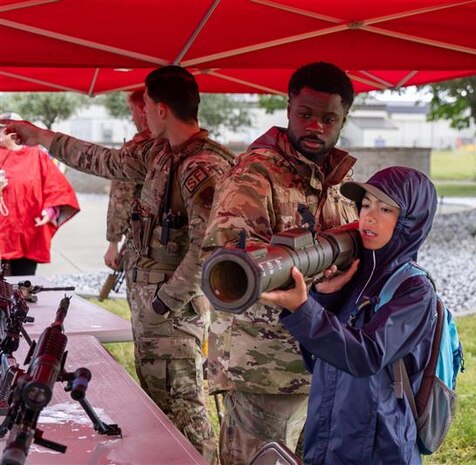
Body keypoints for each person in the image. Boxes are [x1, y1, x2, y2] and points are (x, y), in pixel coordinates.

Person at [1, 65, 233, 464]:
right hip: (153, 302)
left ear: (161, 108)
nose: (141, 111)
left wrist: (165, 302)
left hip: (172, 312)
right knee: (159, 404)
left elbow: (207, 249)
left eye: (144, 103)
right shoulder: (160, 152)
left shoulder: (204, 167)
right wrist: (42, 137)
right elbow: (103, 160)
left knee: (182, 405)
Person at [202, 61, 358, 465]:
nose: (315, 127)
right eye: (305, 115)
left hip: (318, 361)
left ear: (343, 119)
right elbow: (227, 262)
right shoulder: (256, 173)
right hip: (264, 369)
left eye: (329, 118)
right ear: (289, 107)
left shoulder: (334, 178)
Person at [262, 166, 438, 465]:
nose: (369, 216)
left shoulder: (414, 291)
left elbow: (365, 356)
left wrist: (304, 310)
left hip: (380, 448)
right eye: (366, 205)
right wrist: (325, 298)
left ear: (410, 222)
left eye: (385, 209)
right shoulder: (356, 275)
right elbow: (316, 359)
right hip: (329, 434)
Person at [0, 113, 79, 276]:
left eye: (2, 129)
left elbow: (56, 189)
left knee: (22, 285)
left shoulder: (37, 156)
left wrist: (50, 212)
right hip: (2, 234)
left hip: (28, 233)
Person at [103, 90, 149, 299]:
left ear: (143, 110)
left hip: (140, 246)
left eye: (132, 110)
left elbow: (121, 200)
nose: (132, 117)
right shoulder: (176, 145)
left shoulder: (134, 150)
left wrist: (113, 243)